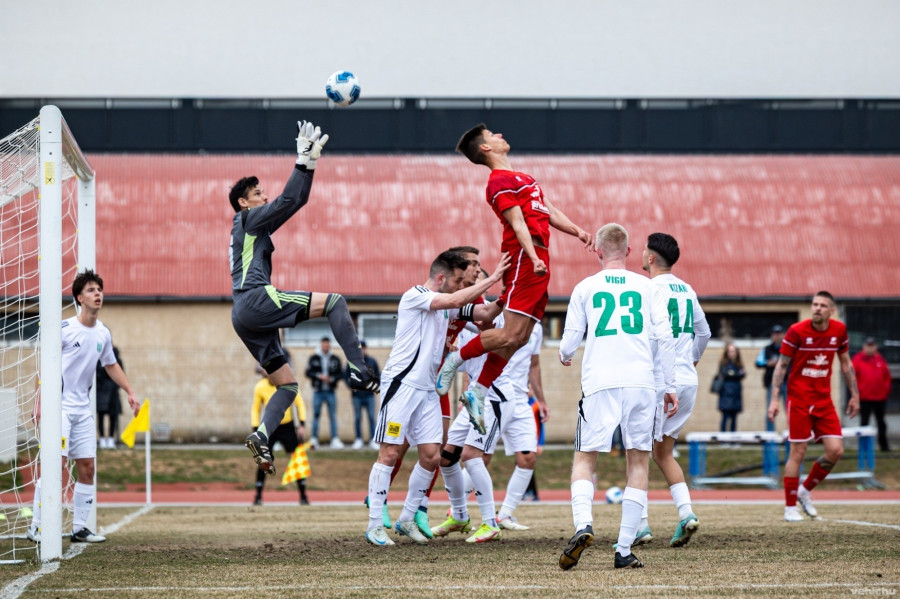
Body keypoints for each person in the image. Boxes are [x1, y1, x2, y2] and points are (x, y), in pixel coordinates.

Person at [231, 121, 378, 475]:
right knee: (335, 302)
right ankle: (359, 370)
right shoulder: (247, 220)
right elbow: (288, 199)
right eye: (258, 193)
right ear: (243, 202)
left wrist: (309, 166)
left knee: (288, 385)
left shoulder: (251, 227)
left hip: (242, 314)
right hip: (255, 299)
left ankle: (262, 435)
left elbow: (295, 201)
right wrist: (301, 162)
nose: (264, 197)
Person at [436, 124, 593, 435]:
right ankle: (455, 359)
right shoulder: (498, 181)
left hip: (539, 256)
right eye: (493, 135)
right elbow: (517, 222)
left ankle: (477, 391)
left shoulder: (525, 178)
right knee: (509, 334)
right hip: (525, 257)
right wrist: (533, 258)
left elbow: (546, 210)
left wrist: (577, 230)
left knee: (520, 339)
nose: (500, 135)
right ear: (485, 148)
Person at [364, 250, 508, 547]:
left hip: (429, 389)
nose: (460, 285)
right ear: (441, 277)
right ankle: (375, 524)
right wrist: (491, 278)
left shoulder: (447, 306)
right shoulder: (416, 295)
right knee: (389, 454)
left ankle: (406, 519)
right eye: (457, 279)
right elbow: (455, 300)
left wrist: (512, 290)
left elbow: (484, 314)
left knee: (432, 456)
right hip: (401, 385)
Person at [557, 223, 676, 571]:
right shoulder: (648, 286)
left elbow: (570, 339)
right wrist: (668, 384)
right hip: (641, 383)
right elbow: (664, 337)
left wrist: (565, 355)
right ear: (627, 251)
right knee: (638, 461)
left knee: (584, 457)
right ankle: (623, 549)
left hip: (600, 382)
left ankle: (583, 526)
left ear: (598, 251)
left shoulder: (585, 287)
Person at [27, 270, 140, 544]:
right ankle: (37, 526)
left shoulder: (103, 333)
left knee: (87, 467)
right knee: (57, 465)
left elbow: (111, 364)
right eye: (91, 290)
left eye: (99, 289)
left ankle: (80, 529)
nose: (97, 294)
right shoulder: (65, 330)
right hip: (60, 409)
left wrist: (130, 391)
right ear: (79, 298)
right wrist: (40, 404)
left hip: (82, 411)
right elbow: (44, 369)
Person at [432, 314, 548, 543]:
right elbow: (466, 365)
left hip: (496, 398)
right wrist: (448, 351)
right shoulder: (465, 323)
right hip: (476, 397)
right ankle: (458, 515)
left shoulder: (500, 324)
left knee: (473, 455)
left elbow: (486, 352)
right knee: (446, 457)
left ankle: (492, 521)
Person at [641, 232, 711, 548]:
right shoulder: (687, 289)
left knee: (638, 452)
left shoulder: (647, 288)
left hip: (658, 380)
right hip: (686, 380)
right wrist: (691, 360)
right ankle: (686, 514)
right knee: (663, 452)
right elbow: (704, 332)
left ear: (651, 257)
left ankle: (639, 525)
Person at [768, 291, 860, 522]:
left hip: (824, 400)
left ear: (832, 310)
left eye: (822, 305)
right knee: (798, 451)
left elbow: (846, 363)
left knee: (836, 450)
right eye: (814, 304)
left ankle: (805, 490)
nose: (817, 308)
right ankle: (790, 507)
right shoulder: (797, 331)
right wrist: (774, 399)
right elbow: (781, 366)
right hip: (798, 400)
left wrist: (854, 395)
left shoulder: (839, 330)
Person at [251, 353, 310, 506]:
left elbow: (300, 404)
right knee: (263, 460)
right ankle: (258, 496)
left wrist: (302, 424)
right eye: (265, 370)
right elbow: (255, 409)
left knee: (296, 460)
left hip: (287, 426)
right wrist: (256, 429)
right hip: (269, 428)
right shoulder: (260, 387)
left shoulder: (287, 384)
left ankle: (303, 496)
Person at [852, 337, 891, 452]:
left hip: (880, 398)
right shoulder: (857, 359)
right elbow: (852, 377)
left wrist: (885, 390)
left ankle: (884, 446)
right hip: (864, 398)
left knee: (881, 422)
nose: (870, 348)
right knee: (864, 422)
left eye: (872, 345)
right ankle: (863, 447)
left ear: (876, 347)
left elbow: (886, 377)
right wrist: (857, 392)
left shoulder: (880, 359)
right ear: (864, 347)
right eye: (868, 345)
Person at [306, 337, 343, 449]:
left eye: (327, 344)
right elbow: (308, 372)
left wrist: (331, 379)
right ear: (321, 344)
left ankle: (335, 439)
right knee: (316, 415)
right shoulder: (313, 358)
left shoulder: (335, 358)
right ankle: (314, 439)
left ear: (330, 345)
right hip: (318, 391)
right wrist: (319, 376)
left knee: (332, 416)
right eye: (324, 344)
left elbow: (340, 373)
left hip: (330, 391)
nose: (326, 346)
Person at [346, 340, 381, 450]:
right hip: (357, 396)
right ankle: (358, 439)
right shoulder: (352, 362)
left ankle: (373, 440)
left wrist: (374, 386)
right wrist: (352, 386)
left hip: (369, 396)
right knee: (357, 418)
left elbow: (378, 376)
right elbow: (345, 375)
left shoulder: (372, 361)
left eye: (363, 348)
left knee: (371, 417)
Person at [756, 325, 787, 432]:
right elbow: (758, 362)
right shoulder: (767, 349)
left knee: (790, 410)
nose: (777, 336)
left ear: (783, 335)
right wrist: (768, 363)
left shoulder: (788, 348)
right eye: (775, 334)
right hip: (771, 384)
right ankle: (770, 439)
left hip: (787, 383)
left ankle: (792, 437)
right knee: (771, 410)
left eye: (779, 334)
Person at [96, 345, 123, 449]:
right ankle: (102, 438)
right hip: (101, 392)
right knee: (101, 416)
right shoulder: (98, 358)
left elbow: (120, 374)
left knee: (113, 416)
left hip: (113, 393)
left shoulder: (117, 359)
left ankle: (111, 438)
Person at [716, 343, 746, 432]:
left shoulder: (739, 364)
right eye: (730, 351)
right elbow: (725, 374)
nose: (732, 353)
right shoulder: (723, 364)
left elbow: (742, 374)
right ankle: (723, 438)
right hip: (726, 393)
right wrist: (734, 374)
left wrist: (733, 374)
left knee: (734, 418)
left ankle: (733, 439)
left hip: (736, 394)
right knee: (725, 417)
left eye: (734, 351)